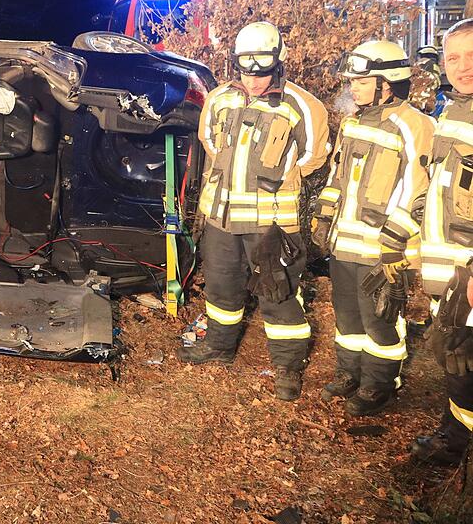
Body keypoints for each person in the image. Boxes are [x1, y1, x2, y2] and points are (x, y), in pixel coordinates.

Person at [179, 22, 329, 400]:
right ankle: (219, 346)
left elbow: (314, 156)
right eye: (248, 72)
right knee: (221, 286)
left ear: (278, 63)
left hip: (272, 223)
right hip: (221, 217)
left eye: (262, 74)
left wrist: (281, 180)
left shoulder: (303, 105)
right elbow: (209, 141)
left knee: (278, 293)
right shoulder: (219, 98)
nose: (255, 82)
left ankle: (287, 366)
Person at [312, 39, 433, 416]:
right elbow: (337, 175)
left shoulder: (416, 125)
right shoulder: (352, 123)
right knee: (347, 316)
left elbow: (420, 189)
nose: (353, 88)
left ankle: (380, 384)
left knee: (381, 320)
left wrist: (394, 241)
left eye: (361, 81)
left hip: (383, 249)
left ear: (387, 82)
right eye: (352, 81)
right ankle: (350, 373)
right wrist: (323, 216)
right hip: (344, 243)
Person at [411, 18, 473, 465]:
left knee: (466, 366)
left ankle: (456, 451)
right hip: (448, 272)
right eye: (454, 58)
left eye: (472, 56)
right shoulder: (452, 112)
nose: (463, 67)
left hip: (468, 273)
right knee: (456, 362)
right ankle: (454, 437)